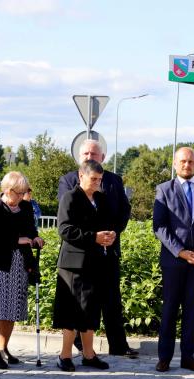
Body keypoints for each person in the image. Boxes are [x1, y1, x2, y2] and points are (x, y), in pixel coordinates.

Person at [58, 140, 136, 358]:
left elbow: (122, 210)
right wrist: (95, 237)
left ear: (102, 157)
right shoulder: (68, 183)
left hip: (106, 251)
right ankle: (73, 351)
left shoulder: (112, 182)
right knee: (77, 306)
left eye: (94, 154)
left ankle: (114, 347)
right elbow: (68, 221)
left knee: (107, 302)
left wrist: (112, 233)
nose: (89, 157)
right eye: (85, 153)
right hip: (79, 255)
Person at [152, 147, 194, 372]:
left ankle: (188, 357)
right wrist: (180, 251)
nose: (187, 165)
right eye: (182, 161)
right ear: (175, 164)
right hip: (173, 260)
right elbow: (159, 226)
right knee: (169, 309)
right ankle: (164, 357)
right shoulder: (164, 189)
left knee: (191, 310)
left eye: (191, 161)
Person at [53, 160, 117, 372]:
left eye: (100, 180)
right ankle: (65, 355)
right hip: (73, 265)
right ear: (81, 176)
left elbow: (109, 223)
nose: (97, 183)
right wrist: (94, 237)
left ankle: (89, 355)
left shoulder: (101, 199)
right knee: (71, 311)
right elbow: (64, 229)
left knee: (91, 310)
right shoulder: (70, 197)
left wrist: (110, 234)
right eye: (93, 179)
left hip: (96, 262)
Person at [0, 172, 44, 369]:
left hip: (19, 264)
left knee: (12, 308)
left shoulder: (25, 207)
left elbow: (30, 230)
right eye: (19, 193)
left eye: (24, 192)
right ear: (7, 190)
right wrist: (16, 240)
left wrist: (35, 238)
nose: (22, 196)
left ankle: (3, 347)